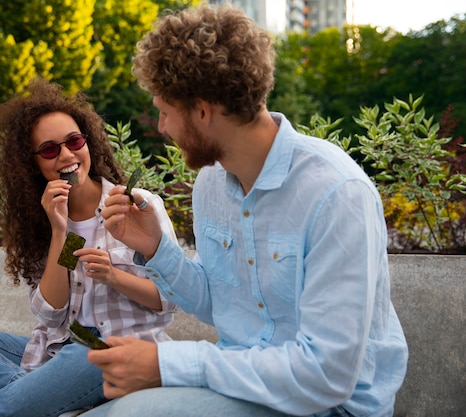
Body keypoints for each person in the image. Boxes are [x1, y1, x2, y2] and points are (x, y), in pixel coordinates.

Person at [82, 4, 408, 417]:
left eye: (165, 112)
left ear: (203, 111)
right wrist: (155, 247)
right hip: (240, 385)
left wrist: (169, 365)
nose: (162, 128)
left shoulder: (337, 194)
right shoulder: (212, 183)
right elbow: (220, 303)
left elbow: (326, 375)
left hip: (331, 407)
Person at [0, 78, 178, 417]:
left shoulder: (137, 206)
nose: (67, 155)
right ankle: (43, 400)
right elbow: (50, 313)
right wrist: (60, 230)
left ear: (89, 142)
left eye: (74, 141)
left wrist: (115, 276)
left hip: (115, 356)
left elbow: (169, 300)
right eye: (49, 149)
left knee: (87, 354)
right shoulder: (44, 220)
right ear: (34, 164)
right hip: (53, 356)